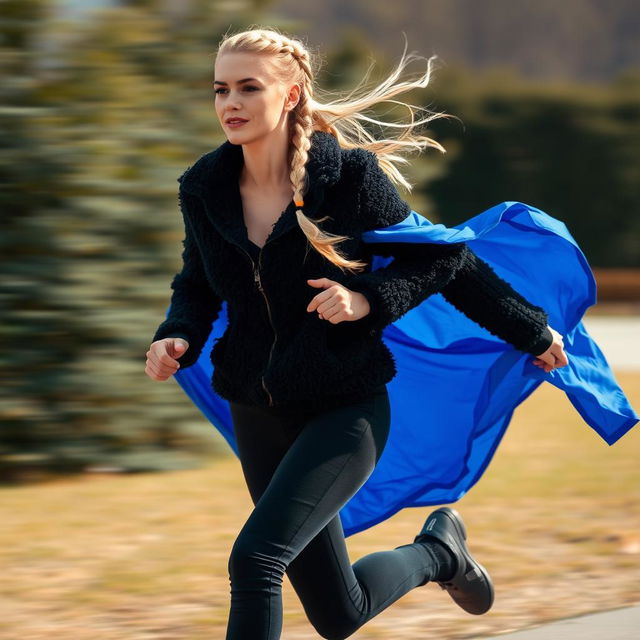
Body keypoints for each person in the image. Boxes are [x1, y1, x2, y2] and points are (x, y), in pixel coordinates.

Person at [145, 28, 569, 640]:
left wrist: (370, 299)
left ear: (290, 96)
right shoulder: (204, 186)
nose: (229, 103)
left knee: (256, 560)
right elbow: (197, 282)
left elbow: (444, 259)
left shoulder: (345, 180)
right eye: (220, 89)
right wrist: (176, 334)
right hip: (258, 410)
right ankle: (439, 554)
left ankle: (437, 551)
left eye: (247, 87)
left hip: (345, 408)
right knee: (339, 613)